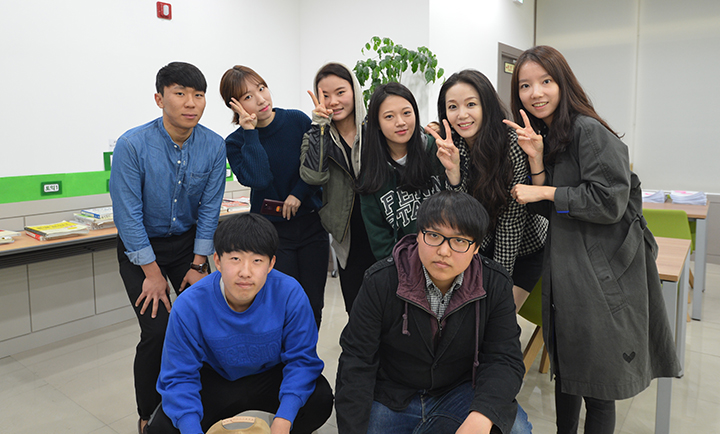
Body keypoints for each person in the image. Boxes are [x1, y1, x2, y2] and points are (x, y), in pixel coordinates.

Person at [504, 45, 680, 434]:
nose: (535, 93)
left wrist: (544, 190)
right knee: (568, 377)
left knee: (598, 390)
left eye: (545, 81)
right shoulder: (552, 135)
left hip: (599, 280)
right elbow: (547, 209)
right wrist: (536, 161)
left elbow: (609, 201)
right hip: (570, 274)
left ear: (563, 82)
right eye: (525, 86)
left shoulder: (588, 129)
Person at [335, 190, 531, 434]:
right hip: (391, 396)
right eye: (434, 236)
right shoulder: (381, 280)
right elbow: (357, 360)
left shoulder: (494, 284)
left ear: (476, 247)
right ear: (418, 235)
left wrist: (483, 414)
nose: (444, 251)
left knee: (514, 428)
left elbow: (504, 359)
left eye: (459, 240)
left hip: (457, 393)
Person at [109, 61, 227, 433]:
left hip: (189, 247)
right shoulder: (132, 145)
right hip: (140, 249)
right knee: (158, 332)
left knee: (205, 323)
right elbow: (127, 214)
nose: (191, 103)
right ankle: (149, 414)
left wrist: (199, 263)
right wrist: (152, 273)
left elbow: (210, 208)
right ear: (160, 99)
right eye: (180, 93)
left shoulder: (214, 145)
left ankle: (201, 401)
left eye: (198, 95)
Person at [145, 213, 334, 434]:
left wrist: (284, 420)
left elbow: (302, 361)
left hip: (269, 376)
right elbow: (179, 377)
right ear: (217, 261)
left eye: (257, 261)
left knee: (320, 399)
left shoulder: (290, 293)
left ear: (271, 264)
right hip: (216, 379)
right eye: (235, 259)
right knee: (162, 428)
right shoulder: (190, 304)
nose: (245, 272)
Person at [221, 65, 328, 327]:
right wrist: (250, 133)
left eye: (262, 88)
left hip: (311, 225)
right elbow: (259, 179)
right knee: (281, 305)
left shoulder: (296, 120)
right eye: (248, 96)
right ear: (234, 105)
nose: (261, 99)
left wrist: (298, 194)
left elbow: (317, 165)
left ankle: (306, 354)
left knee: (313, 303)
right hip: (272, 233)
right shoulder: (235, 143)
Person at [432, 69, 547, 311]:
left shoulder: (511, 145)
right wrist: (454, 174)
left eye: (471, 104)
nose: (462, 115)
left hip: (522, 249)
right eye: (452, 107)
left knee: (496, 315)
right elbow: (460, 213)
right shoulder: (453, 144)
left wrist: (498, 283)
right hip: (479, 245)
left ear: (486, 105)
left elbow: (511, 223)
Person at [299, 62, 377, 313]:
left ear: (354, 90)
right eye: (325, 95)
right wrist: (320, 127)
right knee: (356, 308)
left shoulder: (376, 129)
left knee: (389, 308)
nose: (333, 101)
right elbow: (313, 176)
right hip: (347, 236)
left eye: (341, 92)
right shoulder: (315, 135)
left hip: (382, 231)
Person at [356, 82, 461, 261]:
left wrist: (454, 173)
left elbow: (461, 210)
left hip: (449, 257)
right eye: (389, 116)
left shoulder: (438, 153)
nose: (401, 122)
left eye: (406, 113)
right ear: (377, 123)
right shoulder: (372, 174)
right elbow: (381, 243)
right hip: (405, 267)